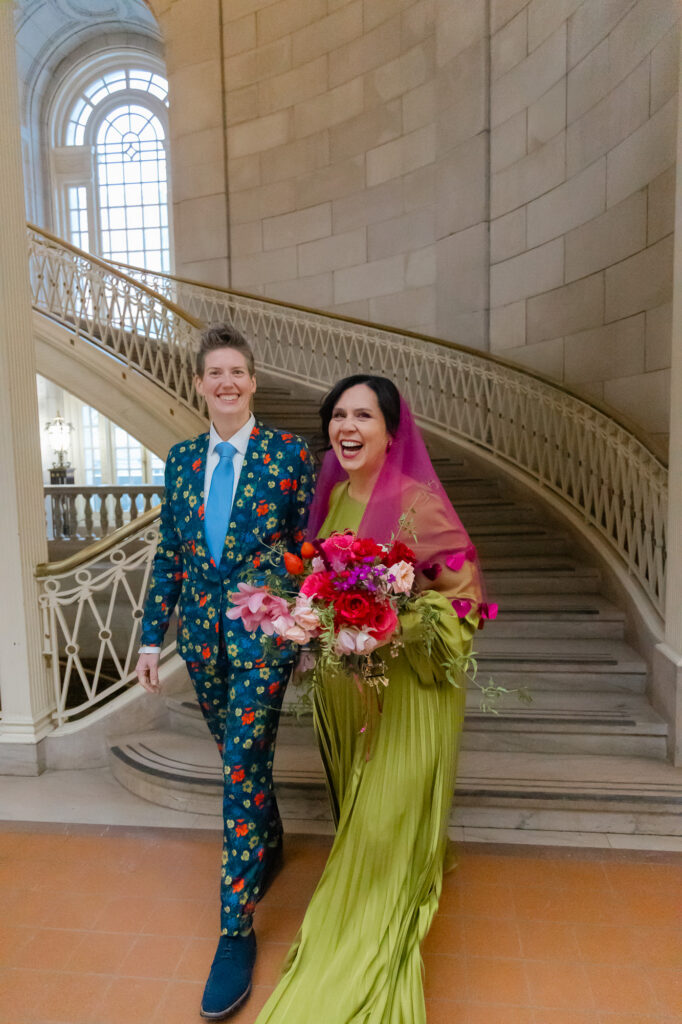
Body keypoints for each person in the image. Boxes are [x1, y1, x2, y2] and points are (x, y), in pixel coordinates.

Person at [256, 375, 487, 1024]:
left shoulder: (419, 506)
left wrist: (393, 624)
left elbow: (463, 603)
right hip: (347, 700)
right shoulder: (331, 502)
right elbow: (322, 584)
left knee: (382, 826)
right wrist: (306, 620)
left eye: (363, 415)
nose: (346, 426)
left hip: (409, 698)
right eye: (338, 415)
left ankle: (362, 949)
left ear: (392, 431)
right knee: (365, 819)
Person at [135, 323, 314, 1020]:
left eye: (237, 371)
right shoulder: (181, 460)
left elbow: (305, 548)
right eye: (215, 373)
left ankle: (234, 932)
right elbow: (170, 556)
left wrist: (302, 631)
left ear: (254, 381)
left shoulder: (288, 453)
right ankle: (268, 840)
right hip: (203, 646)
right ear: (200, 384)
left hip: (263, 639)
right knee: (236, 757)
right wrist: (153, 641)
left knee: (240, 766)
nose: (227, 383)